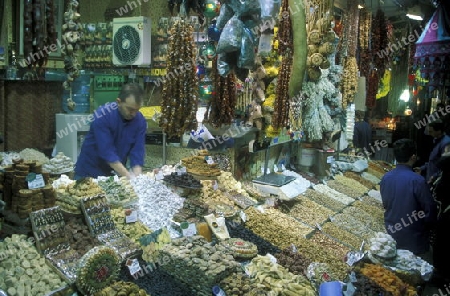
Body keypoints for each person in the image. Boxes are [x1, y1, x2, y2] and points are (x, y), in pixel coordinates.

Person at [74, 82, 147, 179]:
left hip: (115, 173)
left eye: (137, 110)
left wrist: (137, 177)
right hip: (89, 172)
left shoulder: (140, 120)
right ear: (118, 102)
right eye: (130, 109)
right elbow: (107, 151)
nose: (133, 114)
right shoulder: (102, 115)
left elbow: (138, 150)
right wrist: (128, 176)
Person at [380, 138, 437, 260]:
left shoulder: (386, 178)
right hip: (414, 240)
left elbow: (386, 204)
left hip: (391, 236)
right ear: (413, 157)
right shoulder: (418, 181)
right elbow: (430, 210)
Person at [431, 145, 450, 281]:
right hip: (444, 210)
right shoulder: (444, 173)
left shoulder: (447, 174)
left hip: (447, 212)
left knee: (443, 242)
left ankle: (442, 275)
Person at [414, 119, 450, 184]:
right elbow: (433, 161)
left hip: (436, 181)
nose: (429, 134)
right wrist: (422, 168)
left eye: (431, 131)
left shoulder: (446, 143)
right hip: (430, 178)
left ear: (439, 131)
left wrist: (435, 177)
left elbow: (445, 166)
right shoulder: (436, 140)